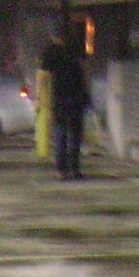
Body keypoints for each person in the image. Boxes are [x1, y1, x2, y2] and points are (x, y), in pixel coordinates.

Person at [38, 26, 90, 180]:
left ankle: (63, 169)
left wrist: (39, 98)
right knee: (74, 134)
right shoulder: (75, 48)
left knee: (61, 134)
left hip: (60, 97)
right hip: (76, 96)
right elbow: (85, 69)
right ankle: (74, 168)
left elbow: (42, 76)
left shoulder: (50, 51)